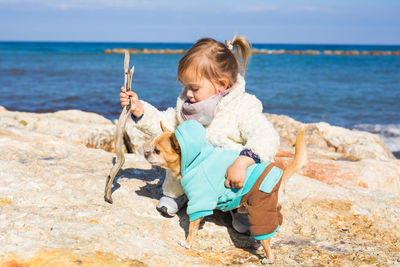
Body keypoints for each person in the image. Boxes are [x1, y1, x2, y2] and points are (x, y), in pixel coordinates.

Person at [119, 36, 280, 234]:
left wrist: (243, 162)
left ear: (221, 84)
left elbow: (265, 136)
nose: (188, 93)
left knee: (246, 176)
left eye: (194, 88)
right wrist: (140, 110)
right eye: (185, 86)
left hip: (229, 181)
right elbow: (166, 127)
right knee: (179, 157)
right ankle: (180, 193)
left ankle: (240, 207)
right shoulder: (187, 106)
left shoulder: (243, 107)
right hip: (194, 176)